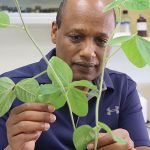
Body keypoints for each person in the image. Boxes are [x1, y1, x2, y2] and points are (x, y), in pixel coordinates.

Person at [0, 0, 150, 149]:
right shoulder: (13, 88)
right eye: (76, 37)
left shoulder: (123, 87)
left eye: (101, 40)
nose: (88, 52)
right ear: (54, 32)